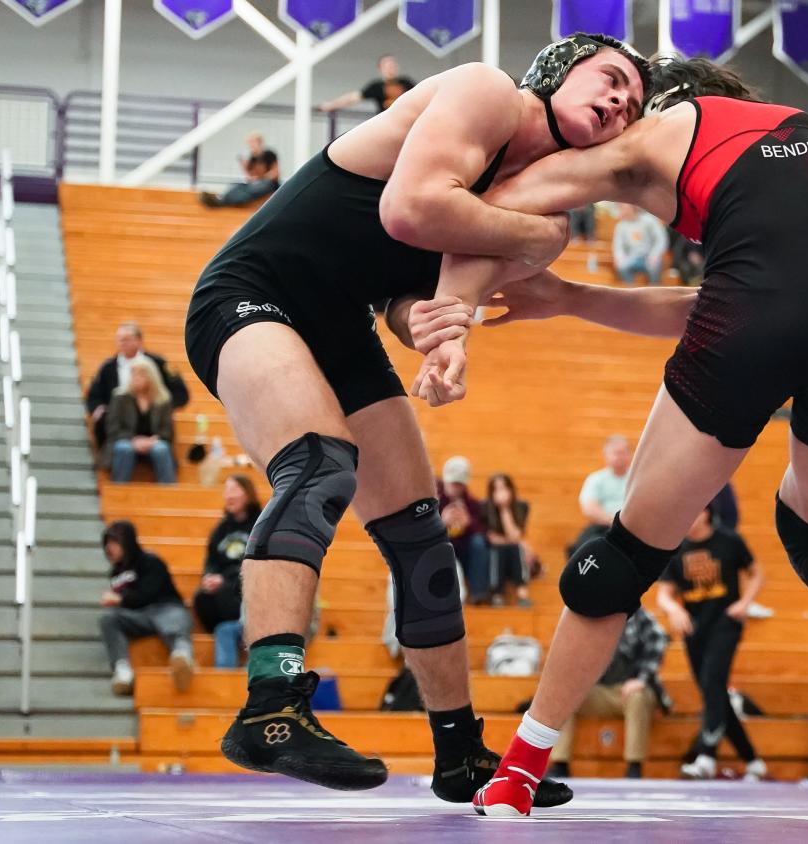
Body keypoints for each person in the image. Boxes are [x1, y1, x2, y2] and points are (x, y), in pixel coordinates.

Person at [401, 56, 808, 814]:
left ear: (666, 104)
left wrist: (449, 316)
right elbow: (736, 296)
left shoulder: (647, 138)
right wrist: (569, 298)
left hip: (750, 327)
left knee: (623, 560)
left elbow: (493, 207)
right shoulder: (804, 133)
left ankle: (520, 769)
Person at [183, 31, 648, 801]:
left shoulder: (518, 198)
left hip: (338, 320)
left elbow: (405, 294)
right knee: (319, 465)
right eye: (609, 80)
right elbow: (410, 210)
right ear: (560, 70)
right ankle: (270, 706)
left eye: (629, 104)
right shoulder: (487, 92)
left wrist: (434, 336)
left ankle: (460, 750)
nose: (617, 102)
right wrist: (540, 236)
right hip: (251, 292)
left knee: (419, 532)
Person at [656, 504, 767, 780]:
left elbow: (757, 572)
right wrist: (674, 609)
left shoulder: (729, 540)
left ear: (705, 512)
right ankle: (753, 760)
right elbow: (664, 593)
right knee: (712, 691)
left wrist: (745, 603)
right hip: (694, 628)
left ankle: (706, 754)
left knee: (714, 681)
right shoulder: (675, 547)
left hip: (725, 624)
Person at [547, 607, 669, 780]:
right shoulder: (586, 617)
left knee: (638, 698)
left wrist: (642, 679)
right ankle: (560, 763)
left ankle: (634, 766)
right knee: (566, 695)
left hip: (628, 689)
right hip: (597, 690)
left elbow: (659, 639)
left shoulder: (639, 615)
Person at [97, 520, 193, 696]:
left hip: (165, 607)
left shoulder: (150, 560)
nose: (110, 548)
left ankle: (181, 656)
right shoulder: (114, 574)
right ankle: (122, 670)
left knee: (176, 618)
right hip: (139, 616)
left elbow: (150, 592)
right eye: (107, 544)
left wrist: (120, 599)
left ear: (127, 542)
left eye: (115, 542)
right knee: (108, 618)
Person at [84, 321, 188, 447]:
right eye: (119, 339)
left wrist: (164, 408)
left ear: (139, 340)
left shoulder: (158, 363)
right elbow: (93, 396)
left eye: (126, 339)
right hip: (120, 422)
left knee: (162, 443)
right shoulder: (108, 367)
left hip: (151, 421)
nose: (121, 343)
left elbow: (180, 392)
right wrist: (98, 407)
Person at [193, 475, 262, 640]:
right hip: (223, 584)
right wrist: (209, 576)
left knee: (227, 591)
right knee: (201, 597)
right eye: (226, 491)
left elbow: (260, 560)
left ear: (247, 494)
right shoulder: (222, 528)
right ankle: (227, 631)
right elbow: (212, 559)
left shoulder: (261, 523)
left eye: (233, 490)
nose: (228, 496)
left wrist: (225, 579)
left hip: (249, 581)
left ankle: (244, 629)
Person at [102, 356, 177, 484]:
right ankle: (119, 490)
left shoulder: (163, 400)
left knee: (161, 449)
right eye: (133, 374)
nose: (136, 378)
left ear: (151, 377)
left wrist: (152, 440)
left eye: (141, 374)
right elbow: (113, 429)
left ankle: (169, 492)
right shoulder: (119, 397)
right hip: (126, 440)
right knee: (124, 448)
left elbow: (167, 431)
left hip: (153, 443)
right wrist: (133, 440)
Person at [438, 456, 491, 605]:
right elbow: (423, 531)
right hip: (441, 549)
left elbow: (484, 533)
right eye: (453, 483)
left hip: (465, 552)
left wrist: (468, 523)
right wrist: (441, 522)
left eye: (459, 484)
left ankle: (478, 594)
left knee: (479, 542)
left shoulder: (473, 504)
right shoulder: (434, 501)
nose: (455, 487)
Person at [568, 434, 631, 554]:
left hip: (635, 530)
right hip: (603, 528)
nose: (620, 457)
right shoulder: (596, 479)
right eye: (616, 453)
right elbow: (589, 508)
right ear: (606, 456)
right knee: (583, 549)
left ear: (630, 455)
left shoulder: (638, 479)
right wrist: (614, 521)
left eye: (623, 453)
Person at [482, 473, 534, 606]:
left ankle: (522, 593)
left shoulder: (522, 506)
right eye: (497, 489)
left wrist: (504, 509)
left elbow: (515, 536)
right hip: (493, 551)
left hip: (513, 550)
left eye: (504, 488)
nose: (501, 493)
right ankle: (497, 593)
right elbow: (492, 539)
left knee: (516, 548)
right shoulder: (485, 508)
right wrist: (513, 541)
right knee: (501, 549)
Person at [200, 132, 281, 208]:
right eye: (250, 143)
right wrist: (245, 168)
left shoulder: (269, 154)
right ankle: (221, 199)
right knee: (236, 186)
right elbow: (250, 178)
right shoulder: (252, 158)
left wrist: (260, 178)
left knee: (255, 188)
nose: (251, 145)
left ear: (260, 142)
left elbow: (275, 173)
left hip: (269, 184)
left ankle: (221, 202)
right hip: (256, 184)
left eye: (253, 142)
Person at [319, 54, 417, 114]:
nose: (390, 69)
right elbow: (353, 98)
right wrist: (331, 105)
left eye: (392, 66)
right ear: (380, 68)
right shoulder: (376, 87)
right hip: (385, 125)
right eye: (387, 66)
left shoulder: (407, 83)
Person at [611, 203, 668, 286]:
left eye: (623, 207)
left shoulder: (649, 221)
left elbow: (661, 240)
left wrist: (655, 255)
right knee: (622, 266)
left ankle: (654, 291)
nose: (621, 210)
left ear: (633, 207)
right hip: (632, 258)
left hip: (649, 257)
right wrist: (619, 257)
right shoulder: (621, 226)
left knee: (654, 267)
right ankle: (630, 291)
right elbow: (618, 246)